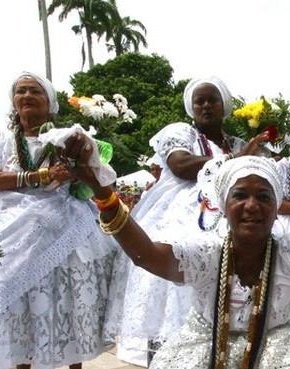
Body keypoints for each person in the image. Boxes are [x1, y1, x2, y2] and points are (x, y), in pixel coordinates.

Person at [58, 131, 290, 368]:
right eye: (240, 195)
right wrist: (102, 191)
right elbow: (147, 255)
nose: (251, 205)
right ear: (223, 205)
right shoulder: (206, 254)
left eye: (263, 197)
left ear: (277, 207)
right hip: (204, 348)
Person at [102, 76, 268, 366]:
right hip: (179, 218)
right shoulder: (180, 132)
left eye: (212, 99)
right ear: (191, 107)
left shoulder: (238, 141)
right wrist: (236, 159)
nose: (205, 105)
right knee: (170, 300)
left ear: (223, 106)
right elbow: (180, 166)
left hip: (228, 218)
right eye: (199, 100)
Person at [0, 72, 117, 369]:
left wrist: (76, 166)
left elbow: (90, 172)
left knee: (69, 299)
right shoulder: (2, 140)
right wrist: (40, 176)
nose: (25, 96)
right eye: (20, 91)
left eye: (34, 91)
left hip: (65, 222)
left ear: (49, 103)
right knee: (18, 306)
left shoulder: (66, 137)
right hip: (11, 222)